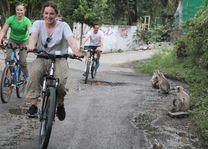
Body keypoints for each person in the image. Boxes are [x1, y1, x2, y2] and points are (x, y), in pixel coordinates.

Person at [26, 1, 81, 120]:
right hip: (42, 56)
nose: (48, 16)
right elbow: (33, 36)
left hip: (59, 58)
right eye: (46, 13)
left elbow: (70, 39)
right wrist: (31, 45)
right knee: (34, 73)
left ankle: (60, 104)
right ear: (43, 13)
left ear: (56, 14)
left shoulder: (63, 26)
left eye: (51, 13)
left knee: (60, 84)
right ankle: (34, 105)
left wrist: (76, 51)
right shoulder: (37, 24)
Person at [0, 3, 32, 80]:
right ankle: (10, 74)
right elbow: (3, 31)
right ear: (15, 10)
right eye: (18, 10)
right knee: (8, 59)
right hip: (12, 40)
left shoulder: (27, 21)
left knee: (22, 61)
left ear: (24, 11)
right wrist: (0, 39)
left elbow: (30, 33)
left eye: (21, 10)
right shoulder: (11, 19)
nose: (19, 12)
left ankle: (26, 76)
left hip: (24, 41)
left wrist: (31, 44)